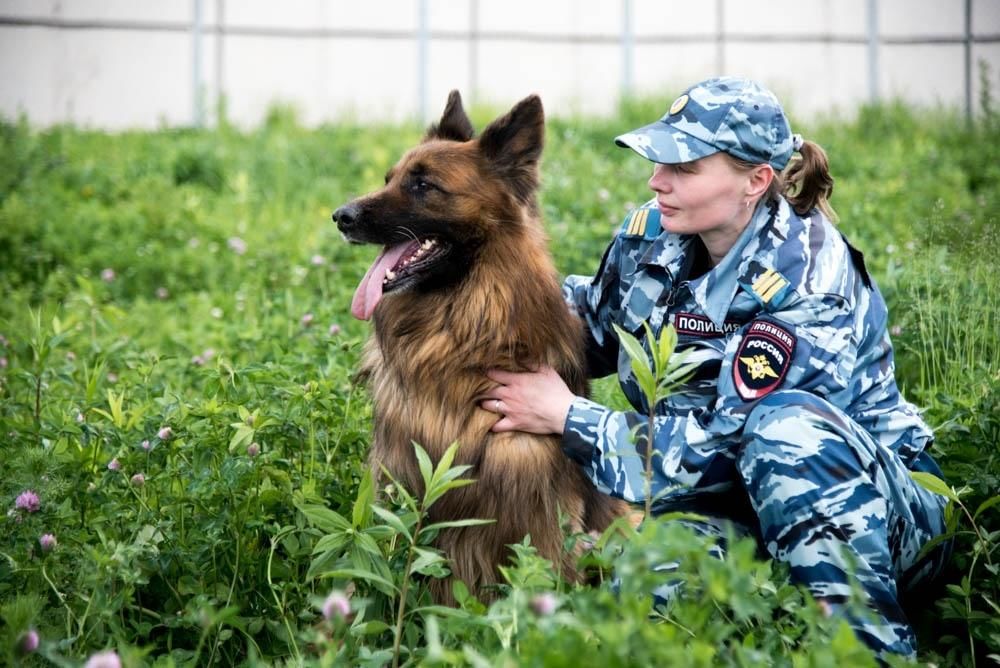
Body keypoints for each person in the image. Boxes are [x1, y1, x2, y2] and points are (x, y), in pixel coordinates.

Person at [479, 76, 950, 658]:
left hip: (874, 514)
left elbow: (725, 449)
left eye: (685, 166)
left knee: (785, 431)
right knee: (647, 591)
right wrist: (479, 292)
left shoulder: (807, 278)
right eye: (658, 161)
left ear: (756, 180)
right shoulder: (655, 235)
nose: (657, 181)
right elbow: (591, 327)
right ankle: (769, 618)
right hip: (734, 512)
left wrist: (569, 417)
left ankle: (868, 647)